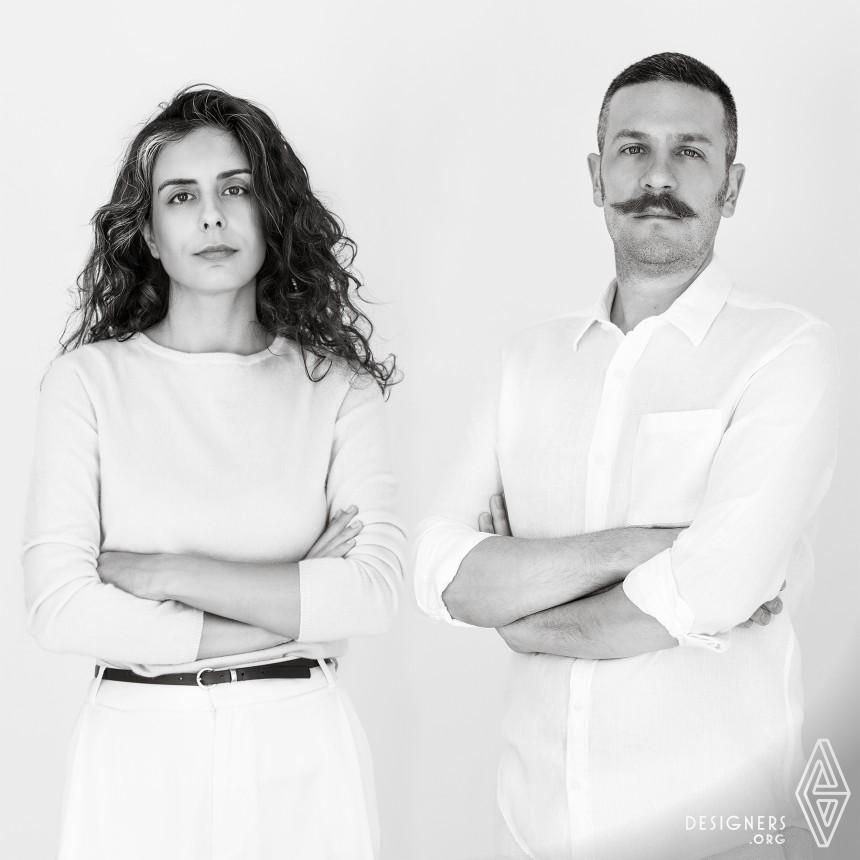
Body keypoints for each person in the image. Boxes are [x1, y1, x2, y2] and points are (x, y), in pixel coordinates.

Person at [413, 52, 838, 860]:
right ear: (595, 174)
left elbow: (714, 586)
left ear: (732, 186)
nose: (658, 176)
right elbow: (438, 571)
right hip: (531, 832)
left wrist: (518, 611)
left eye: (690, 151)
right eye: (634, 147)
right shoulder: (528, 362)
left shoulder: (784, 352)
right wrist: (652, 547)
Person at [21, 85, 404, 860]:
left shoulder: (336, 389)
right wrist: (288, 602)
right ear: (149, 234)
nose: (211, 217)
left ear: (272, 214)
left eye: (236, 189)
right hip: (137, 749)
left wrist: (169, 572)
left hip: (300, 744)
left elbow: (373, 593)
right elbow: (60, 608)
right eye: (181, 196)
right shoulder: (87, 384)